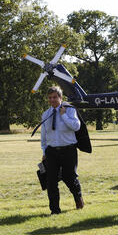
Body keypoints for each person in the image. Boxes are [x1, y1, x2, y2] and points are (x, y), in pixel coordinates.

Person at [41, 86, 84, 215]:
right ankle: (55, 210)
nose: (52, 100)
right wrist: (44, 151)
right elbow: (44, 136)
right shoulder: (46, 114)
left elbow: (76, 126)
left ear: (60, 98)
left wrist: (64, 116)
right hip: (51, 151)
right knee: (51, 181)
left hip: (68, 150)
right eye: (50, 98)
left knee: (69, 177)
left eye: (55, 97)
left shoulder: (70, 110)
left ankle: (78, 198)